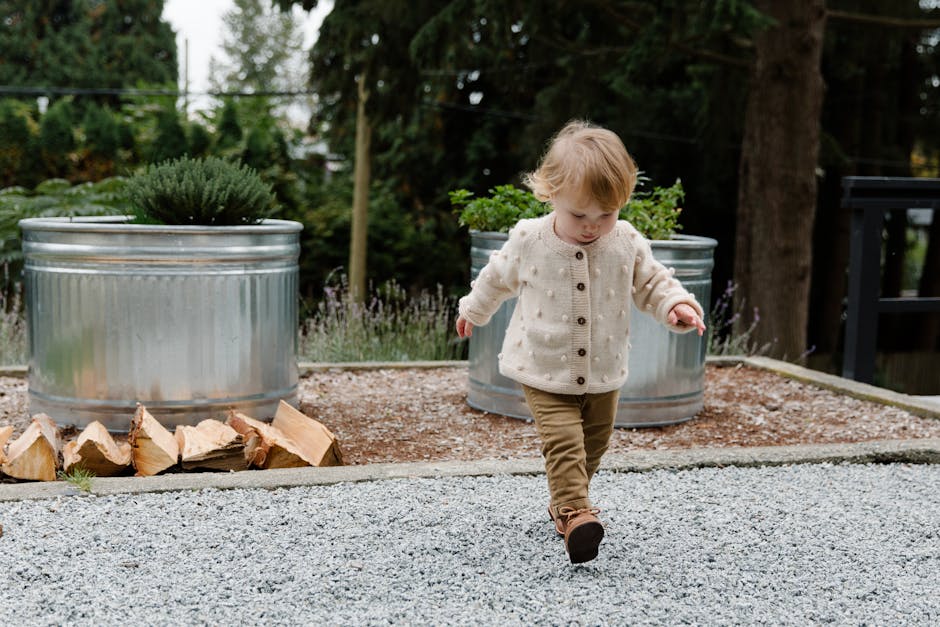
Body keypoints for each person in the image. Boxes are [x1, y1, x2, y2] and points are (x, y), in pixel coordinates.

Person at [455, 120, 706, 564]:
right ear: (550, 194)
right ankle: (574, 513)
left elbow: (651, 282)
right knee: (565, 440)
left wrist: (674, 306)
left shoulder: (625, 241)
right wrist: (473, 310)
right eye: (579, 216)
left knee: (596, 439)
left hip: (604, 370)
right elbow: (495, 278)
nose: (593, 227)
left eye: (605, 215)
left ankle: (565, 502)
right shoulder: (530, 238)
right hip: (542, 366)